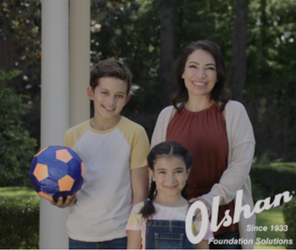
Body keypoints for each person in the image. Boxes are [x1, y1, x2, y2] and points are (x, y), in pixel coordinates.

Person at [149, 40, 255, 249]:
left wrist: (209, 201)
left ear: (218, 76)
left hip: (223, 226)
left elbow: (241, 165)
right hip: (175, 224)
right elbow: (153, 170)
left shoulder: (233, 112)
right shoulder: (167, 116)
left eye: (209, 68)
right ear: (182, 72)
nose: (201, 75)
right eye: (194, 67)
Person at [58, 59, 150, 249]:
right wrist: (63, 200)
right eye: (105, 93)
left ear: (126, 99)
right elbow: (71, 190)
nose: (111, 101)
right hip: (80, 237)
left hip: (120, 236)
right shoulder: (72, 136)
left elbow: (140, 196)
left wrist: (137, 241)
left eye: (118, 95)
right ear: (91, 92)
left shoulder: (135, 133)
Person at [125, 141, 213, 249]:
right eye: (163, 172)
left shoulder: (197, 214)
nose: (170, 180)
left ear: (187, 173)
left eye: (178, 171)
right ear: (152, 174)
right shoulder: (139, 211)